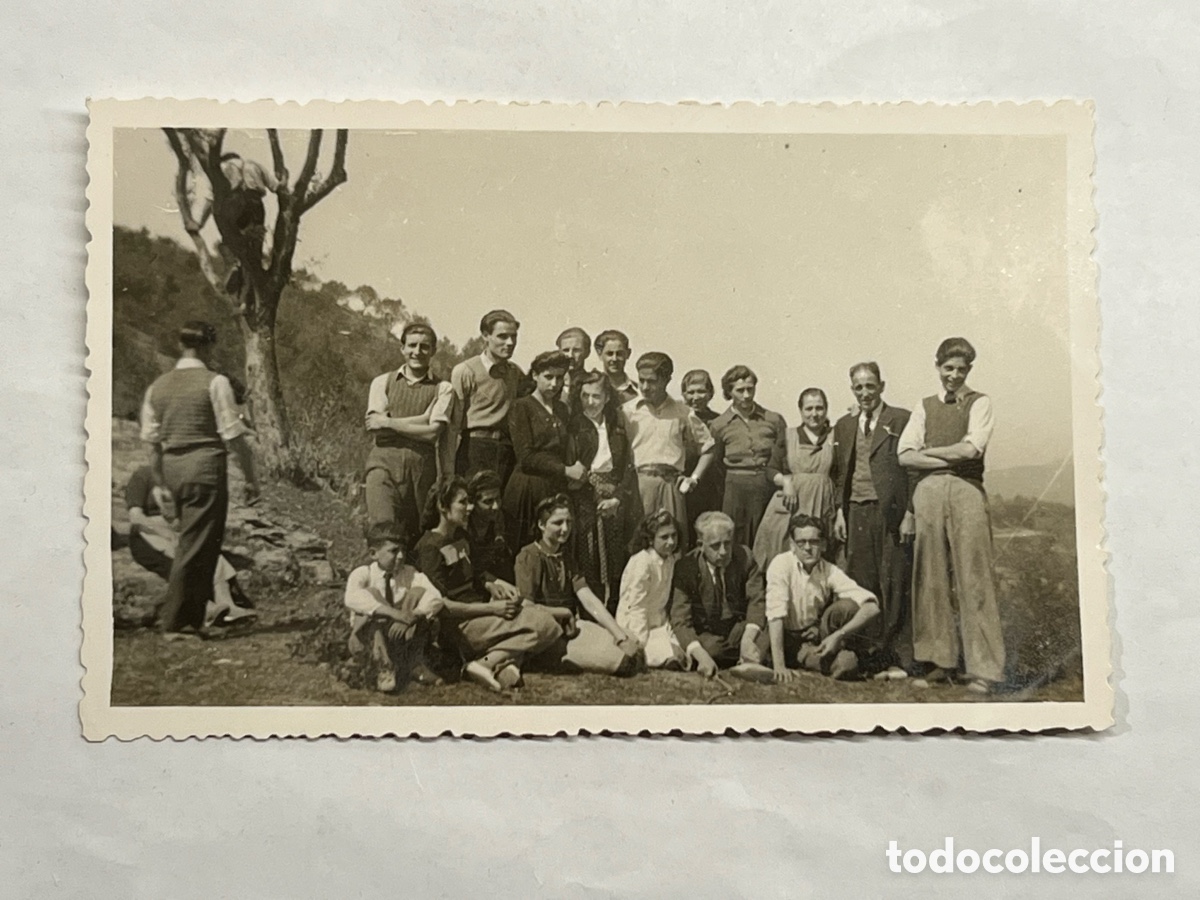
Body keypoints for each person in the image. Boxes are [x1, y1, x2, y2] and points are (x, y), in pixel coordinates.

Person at [140, 321, 260, 638]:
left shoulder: (158, 386)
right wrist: (250, 478)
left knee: (193, 544)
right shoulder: (215, 382)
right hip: (203, 469)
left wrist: (160, 483)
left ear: (182, 346)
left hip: (171, 467)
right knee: (197, 547)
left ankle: (190, 620)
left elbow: (150, 440)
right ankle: (176, 623)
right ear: (209, 347)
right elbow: (233, 436)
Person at [898, 338, 1005, 694]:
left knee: (974, 575)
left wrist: (934, 452)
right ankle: (938, 663)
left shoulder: (981, 402)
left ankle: (984, 669)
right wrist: (950, 456)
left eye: (961, 369)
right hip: (927, 492)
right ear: (938, 367)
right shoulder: (925, 405)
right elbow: (905, 455)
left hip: (966, 491)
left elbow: (972, 447)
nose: (954, 375)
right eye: (948, 368)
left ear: (969, 370)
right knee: (929, 576)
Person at [414, 478, 560, 691]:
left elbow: (476, 574)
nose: (469, 508)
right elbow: (442, 606)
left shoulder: (461, 536)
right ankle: (489, 662)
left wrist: (493, 585)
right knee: (546, 625)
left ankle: (496, 664)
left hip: (481, 614)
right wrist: (492, 608)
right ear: (442, 507)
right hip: (459, 626)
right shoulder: (428, 548)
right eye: (463, 502)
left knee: (543, 624)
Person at [831, 363, 915, 678]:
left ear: (881, 386)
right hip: (856, 511)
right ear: (852, 389)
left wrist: (910, 512)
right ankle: (866, 657)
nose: (864, 393)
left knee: (893, 582)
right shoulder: (844, 425)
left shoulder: (901, 419)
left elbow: (912, 469)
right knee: (861, 585)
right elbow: (840, 473)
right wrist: (841, 511)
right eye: (858, 387)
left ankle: (897, 660)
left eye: (870, 386)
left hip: (889, 512)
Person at [515, 495, 642, 675]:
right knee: (619, 662)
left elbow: (588, 599)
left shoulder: (566, 556)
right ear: (541, 525)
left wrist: (620, 636)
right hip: (545, 633)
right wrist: (563, 613)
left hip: (571, 629)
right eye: (558, 523)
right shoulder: (528, 556)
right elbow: (527, 607)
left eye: (568, 522)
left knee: (633, 641)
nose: (565, 528)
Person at [124, 464, 255, 627]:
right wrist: (164, 532)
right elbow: (136, 517)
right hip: (148, 531)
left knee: (212, 555)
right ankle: (207, 609)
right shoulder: (143, 475)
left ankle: (228, 606)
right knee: (182, 563)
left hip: (176, 528)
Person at [363, 322, 455, 543]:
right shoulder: (382, 382)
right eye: (412, 345)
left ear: (433, 351)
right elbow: (376, 426)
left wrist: (389, 422)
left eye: (424, 346)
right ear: (402, 348)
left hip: (421, 472)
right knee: (384, 530)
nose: (417, 352)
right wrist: (422, 420)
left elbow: (432, 434)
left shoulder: (443, 388)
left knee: (417, 535)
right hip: (383, 464)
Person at [766, 515, 880, 682]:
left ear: (824, 545)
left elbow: (872, 607)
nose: (807, 548)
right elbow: (775, 615)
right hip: (785, 636)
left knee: (848, 609)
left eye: (814, 542)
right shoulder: (781, 564)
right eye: (801, 542)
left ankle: (820, 659)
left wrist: (838, 635)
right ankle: (796, 660)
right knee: (846, 663)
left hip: (815, 636)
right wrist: (779, 666)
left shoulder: (829, 570)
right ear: (792, 545)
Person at [621, 352, 716, 548]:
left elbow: (708, 448)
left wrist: (694, 478)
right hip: (640, 487)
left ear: (666, 380)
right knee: (641, 543)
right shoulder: (627, 411)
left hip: (671, 486)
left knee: (673, 543)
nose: (645, 387)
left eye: (652, 381)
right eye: (642, 381)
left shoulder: (683, 412)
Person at [670, 511, 773, 682]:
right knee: (711, 649)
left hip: (738, 628)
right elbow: (680, 620)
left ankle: (748, 655)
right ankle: (751, 658)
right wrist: (701, 655)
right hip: (709, 633)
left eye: (727, 543)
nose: (724, 551)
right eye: (715, 546)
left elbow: (757, 600)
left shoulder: (745, 557)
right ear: (700, 545)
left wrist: (748, 639)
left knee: (769, 629)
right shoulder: (686, 567)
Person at [569, 369, 641, 611]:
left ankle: (617, 611)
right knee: (588, 554)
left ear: (607, 397)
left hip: (615, 497)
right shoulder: (574, 427)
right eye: (585, 396)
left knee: (615, 557)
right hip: (584, 494)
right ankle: (591, 614)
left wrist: (618, 498)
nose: (590, 402)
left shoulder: (617, 426)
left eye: (596, 396)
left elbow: (627, 468)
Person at [344, 522, 445, 693]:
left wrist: (411, 616)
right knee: (371, 594)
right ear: (373, 553)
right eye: (394, 551)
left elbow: (435, 597)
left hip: (400, 636)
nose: (400, 556)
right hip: (369, 639)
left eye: (403, 551)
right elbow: (351, 598)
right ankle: (383, 666)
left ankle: (415, 665)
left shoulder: (409, 573)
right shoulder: (364, 573)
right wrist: (394, 613)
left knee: (418, 592)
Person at [502, 350, 588, 552]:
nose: (554, 384)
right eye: (548, 377)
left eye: (559, 378)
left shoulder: (562, 409)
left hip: (555, 487)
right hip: (528, 488)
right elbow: (526, 457)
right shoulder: (521, 407)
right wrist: (565, 470)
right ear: (535, 375)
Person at [753, 387, 837, 570]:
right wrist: (786, 481)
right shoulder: (788, 436)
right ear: (800, 411)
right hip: (793, 504)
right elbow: (770, 468)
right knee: (783, 552)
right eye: (809, 409)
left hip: (822, 504)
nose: (814, 414)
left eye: (819, 408)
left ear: (826, 409)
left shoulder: (834, 436)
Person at [709, 365, 787, 549]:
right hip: (734, 489)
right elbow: (717, 463)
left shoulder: (773, 420)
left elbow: (782, 457)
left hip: (765, 486)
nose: (746, 395)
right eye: (740, 390)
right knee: (734, 538)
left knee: (766, 538)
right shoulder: (719, 424)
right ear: (729, 392)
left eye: (750, 389)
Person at [451, 309, 525, 484]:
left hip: (506, 451)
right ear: (485, 335)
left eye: (514, 337)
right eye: (502, 336)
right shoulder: (465, 371)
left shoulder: (515, 373)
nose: (510, 342)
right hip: (474, 449)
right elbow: (453, 425)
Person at [616, 510, 687, 669]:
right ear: (650, 540)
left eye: (674, 536)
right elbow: (636, 606)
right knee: (659, 652)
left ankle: (670, 655)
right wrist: (639, 642)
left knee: (683, 649)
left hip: (659, 622)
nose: (670, 542)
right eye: (664, 537)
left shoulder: (670, 559)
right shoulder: (643, 562)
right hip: (636, 623)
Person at [680, 369, 725, 529]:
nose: (695, 397)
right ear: (683, 394)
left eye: (701, 391)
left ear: (710, 393)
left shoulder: (719, 421)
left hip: (712, 485)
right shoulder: (678, 419)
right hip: (685, 483)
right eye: (690, 392)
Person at [467, 469, 516, 586]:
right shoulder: (465, 526)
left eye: (498, 499)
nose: (496, 506)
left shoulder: (506, 521)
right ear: (473, 502)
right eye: (488, 501)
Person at [594, 329, 639, 403]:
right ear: (600, 354)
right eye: (609, 354)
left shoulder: (639, 391)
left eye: (619, 354)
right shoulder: (591, 389)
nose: (614, 359)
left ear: (628, 354)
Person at [556, 326, 592, 399]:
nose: (570, 355)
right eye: (566, 350)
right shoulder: (551, 384)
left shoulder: (594, 383)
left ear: (587, 353)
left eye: (576, 350)